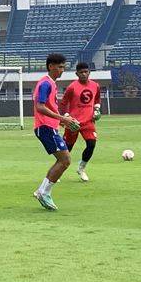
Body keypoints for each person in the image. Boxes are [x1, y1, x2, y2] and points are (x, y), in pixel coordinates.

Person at [32, 53, 80, 211]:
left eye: (63, 67)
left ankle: (43, 191)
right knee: (65, 160)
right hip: (45, 127)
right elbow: (40, 107)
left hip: (49, 126)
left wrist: (63, 119)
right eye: (59, 67)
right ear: (50, 66)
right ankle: (43, 192)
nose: (62, 70)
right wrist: (63, 119)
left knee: (63, 160)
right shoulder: (45, 84)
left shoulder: (50, 83)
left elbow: (49, 107)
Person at [59, 62, 102, 182]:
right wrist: (67, 117)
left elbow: (97, 99)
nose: (84, 74)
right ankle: (58, 171)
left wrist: (97, 110)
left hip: (88, 122)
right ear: (76, 73)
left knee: (91, 144)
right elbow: (63, 103)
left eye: (86, 72)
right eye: (81, 72)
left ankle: (81, 168)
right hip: (73, 122)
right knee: (67, 149)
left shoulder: (95, 86)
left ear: (89, 72)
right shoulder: (72, 87)